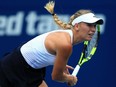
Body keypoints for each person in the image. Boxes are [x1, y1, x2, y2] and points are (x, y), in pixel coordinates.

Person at [0, 1, 104, 87]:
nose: (93, 29)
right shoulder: (65, 45)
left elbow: (40, 50)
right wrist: (70, 78)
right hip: (15, 68)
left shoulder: (65, 37)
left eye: (94, 26)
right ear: (76, 26)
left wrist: (56, 62)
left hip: (29, 67)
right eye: (89, 25)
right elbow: (56, 77)